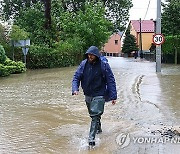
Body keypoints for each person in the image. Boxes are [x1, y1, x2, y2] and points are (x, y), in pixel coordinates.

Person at [72, 46, 117, 147]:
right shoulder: (83, 64)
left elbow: (111, 80)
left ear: (96, 55)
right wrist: (75, 89)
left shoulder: (104, 65)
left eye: (92, 55)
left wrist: (113, 96)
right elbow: (76, 77)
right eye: (88, 54)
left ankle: (91, 139)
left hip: (99, 94)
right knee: (93, 114)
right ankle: (99, 129)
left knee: (95, 115)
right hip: (88, 93)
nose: (90, 56)